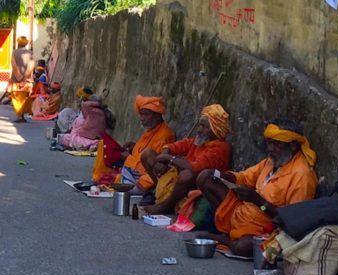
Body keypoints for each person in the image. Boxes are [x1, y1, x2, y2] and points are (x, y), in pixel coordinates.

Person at [195, 119, 318, 257]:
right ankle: (229, 231)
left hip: (266, 228)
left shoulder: (302, 175)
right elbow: (245, 177)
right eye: (269, 143)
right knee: (205, 177)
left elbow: (293, 220)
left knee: (244, 247)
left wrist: (259, 202)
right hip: (242, 212)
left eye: (276, 144)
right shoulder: (271, 161)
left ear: (293, 146)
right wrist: (220, 175)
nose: (270, 149)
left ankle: (223, 239)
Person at [141, 104, 231, 214]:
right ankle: (161, 194)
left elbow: (194, 168)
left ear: (216, 129)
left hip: (194, 185)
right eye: (199, 125)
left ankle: (166, 206)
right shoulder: (198, 140)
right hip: (176, 180)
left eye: (204, 126)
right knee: (147, 154)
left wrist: (168, 158)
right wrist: (162, 160)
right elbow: (172, 147)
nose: (199, 129)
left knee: (186, 175)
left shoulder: (221, 148)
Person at [92, 95, 175, 190]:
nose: (142, 118)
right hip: (131, 170)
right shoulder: (152, 129)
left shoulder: (164, 136)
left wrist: (127, 157)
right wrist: (134, 147)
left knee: (109, 179)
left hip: (142, 177)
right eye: (141, 114)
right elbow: (143, 151)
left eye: (146, 114)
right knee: (104, 144)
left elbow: (150, 167)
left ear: (157, 115)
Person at [8, 36, 34, 123]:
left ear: (18, 43)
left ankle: (19, 116)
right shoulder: (30, 53)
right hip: (27, 81)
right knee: (25, 99)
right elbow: (31, 66)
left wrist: (19, 78)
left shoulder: (14, 53)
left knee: (16, 98)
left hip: (16, 80)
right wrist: (25, 78)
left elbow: (14, 66)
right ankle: (22, 116)